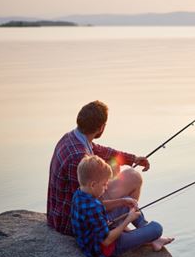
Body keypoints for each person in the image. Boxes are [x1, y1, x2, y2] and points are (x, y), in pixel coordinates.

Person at [47, 100, 150, 235]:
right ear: (101, 127)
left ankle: (124, 224)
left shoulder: (72, 137)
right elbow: (86, 203)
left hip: (58, 214)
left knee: (113, 165)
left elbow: (101, 150)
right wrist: (123, 201)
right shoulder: (78, 158)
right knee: (134, 178)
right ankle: (118, 227)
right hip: (69, 223)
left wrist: (132, 159)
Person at [71, 155, 173, 257]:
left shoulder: (79, 194)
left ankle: (148, 236)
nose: (106, 188)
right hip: (107, 248)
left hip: (94, 237)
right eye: (104, 184)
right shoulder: (93, 207)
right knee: (157, 228)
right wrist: (128, 219)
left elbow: (99, 210)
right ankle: (152, 238)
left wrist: (122, 201)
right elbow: (106, 241)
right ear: (93, 185)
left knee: (128, 201)